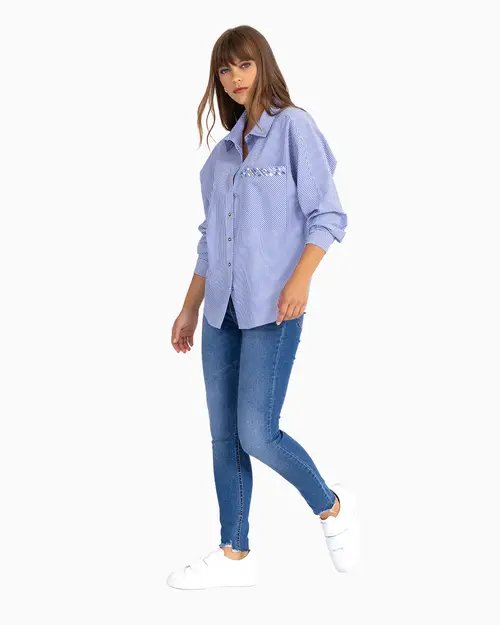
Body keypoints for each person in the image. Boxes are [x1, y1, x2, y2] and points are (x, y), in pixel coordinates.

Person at [167, 25, 360, 590]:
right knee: (223, 436)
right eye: (224, 70)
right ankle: (234, 553)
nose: (235, 78)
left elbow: (328, 215)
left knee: (257, 432)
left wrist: (301, 281)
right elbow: (210, 242)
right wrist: (188, 308)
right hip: (219, 313)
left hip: (274, 308)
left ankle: (330, 507)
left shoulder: (294, 127)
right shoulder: (220, 158)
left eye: (244, 65)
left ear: (264, 65)